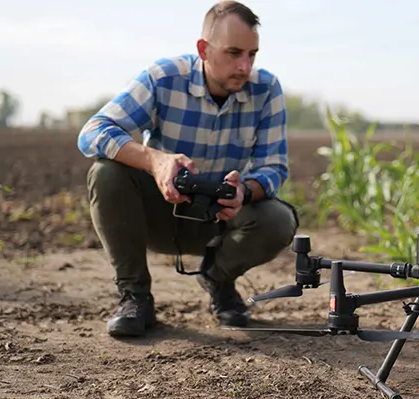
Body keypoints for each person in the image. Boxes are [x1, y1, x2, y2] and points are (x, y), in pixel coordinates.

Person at [76, 1, 298, 337]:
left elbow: (274, 167)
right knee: (106, 172)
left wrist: (243, 191)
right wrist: (155, 160)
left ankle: (218, 280)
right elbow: (93, 132)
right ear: (203, 49)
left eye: (252, 54)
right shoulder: (164, 78)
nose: (244, 65)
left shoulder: (266, 89)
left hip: (220, 220)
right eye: (234, 52)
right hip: (161, 213)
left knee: (279, 220)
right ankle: (135, 297)